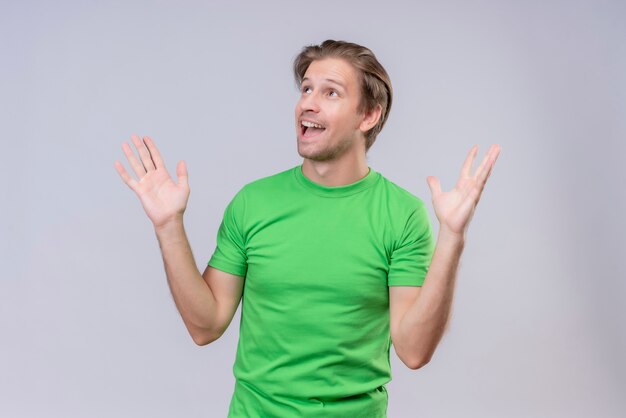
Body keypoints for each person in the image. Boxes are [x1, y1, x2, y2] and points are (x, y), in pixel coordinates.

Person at [114, 39, 501, 418]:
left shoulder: (401, 215)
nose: (308, 103)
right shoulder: (253, 203)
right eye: (306, 89)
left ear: (368, 116)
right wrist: (168, 225)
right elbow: (206, 325)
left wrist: (452, 237)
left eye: (331, 93)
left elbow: (414, 351)